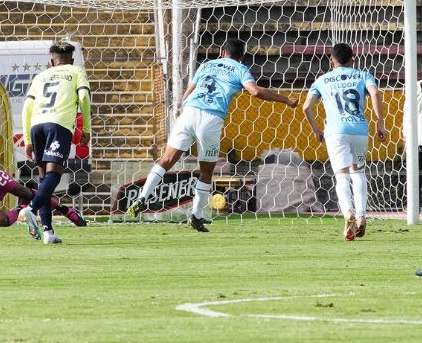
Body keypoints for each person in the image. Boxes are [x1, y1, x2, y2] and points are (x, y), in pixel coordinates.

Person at [127, 38, 298, 231]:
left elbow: (186, 95)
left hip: (189, 112)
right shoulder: (239, 69)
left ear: (223, 53)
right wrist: (286, 100)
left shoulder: (207, 65)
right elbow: (255, 92)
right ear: (241, 56)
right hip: (211, 118)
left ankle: (142, 197)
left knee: (166, 159)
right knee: (206, 171)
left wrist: (184, 111)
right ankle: (196, 216)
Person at [302, 43, 386, 241]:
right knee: (358, 171)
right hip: (359, 130)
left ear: (332, 61)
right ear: (353, 59)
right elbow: (375, 93)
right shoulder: (363, 75)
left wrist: (316, 130)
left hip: (335, 132)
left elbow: (306, 107)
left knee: (341, 176)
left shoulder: (322, 80)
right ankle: (361, 215)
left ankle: (347, 212)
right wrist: (380, 123)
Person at [20, 41, 92, 244]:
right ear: (72, 58)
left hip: (37, 125)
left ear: (51, 61)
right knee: (55, 173)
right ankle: (31, 210)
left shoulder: (40, 76)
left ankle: (48, 232)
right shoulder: (76, 71)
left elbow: (27, 107)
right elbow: (84, 97)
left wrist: (27, 138)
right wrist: (86, 128)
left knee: (44, 179)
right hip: (58, 125)